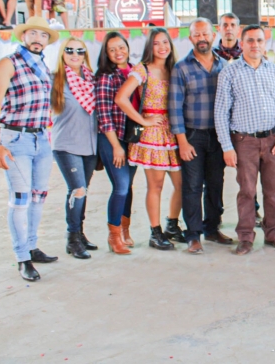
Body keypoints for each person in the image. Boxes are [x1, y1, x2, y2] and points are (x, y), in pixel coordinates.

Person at [0, 16, 60, 281]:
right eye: (33, 34)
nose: (38, 39)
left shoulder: (42, 66)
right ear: (23, 36)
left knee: (38, 197)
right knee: (20, 199)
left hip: (41, 140)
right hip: (15, 140)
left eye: (43, 36)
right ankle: (22, 258)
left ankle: (31, 245)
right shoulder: (8, 63)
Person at [214, 24, 275, 256]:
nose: (255, 45)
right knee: (247, 190)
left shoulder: (274, 71)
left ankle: (273, 233)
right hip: (244, 141)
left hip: (272, 140)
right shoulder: (230, 72)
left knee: (273, 190)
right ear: (242, 42)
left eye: (259, 40)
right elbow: (220, 112)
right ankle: (246, 237)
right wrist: (227, 147)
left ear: (265, 43)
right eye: (250, 40)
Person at [115, 28, 184, 251]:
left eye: (165, 42)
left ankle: (172, 224)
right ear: (149, 47)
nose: (162, 47)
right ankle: (155, 232)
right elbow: (121, 98)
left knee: (183, 184)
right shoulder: (142, 70)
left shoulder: (175, 69)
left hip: (174, 131)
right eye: (156, 43)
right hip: (152, 134)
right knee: (156, 185)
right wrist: (143, 121)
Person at [169, 18, 232, 255]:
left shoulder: (224, 66)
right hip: (193, 136)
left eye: (205, 34)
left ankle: (212, 228)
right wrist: (182, 141)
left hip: (219, 136)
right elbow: (175, 108)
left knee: (216, 184)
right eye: (197, 35)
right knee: (193, 186)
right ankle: (193, 234)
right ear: (190, 38)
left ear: (213, 35)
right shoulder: (181, 68)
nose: (202, 38)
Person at [51, 37, 99, 259]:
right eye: (69, 50)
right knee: (77, 189)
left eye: (80, 51)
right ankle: (72, 238)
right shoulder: (56, 80)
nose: (75, 54)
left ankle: (79, 233)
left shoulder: (91, 80)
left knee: (82, 191)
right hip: (66, 145)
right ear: (62, 53)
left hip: (89, 145)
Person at [95, 32, 138, 254]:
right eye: (112, 49)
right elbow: (104, 116)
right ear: (106, 54)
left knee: (128, 187)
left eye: (121, 47)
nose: (118, 52)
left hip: (132, 138)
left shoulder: (135, 72)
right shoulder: (105, 77)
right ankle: (114, 237)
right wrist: (116, 146)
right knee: (120, 186)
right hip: (112, 137)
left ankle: (125, 231)